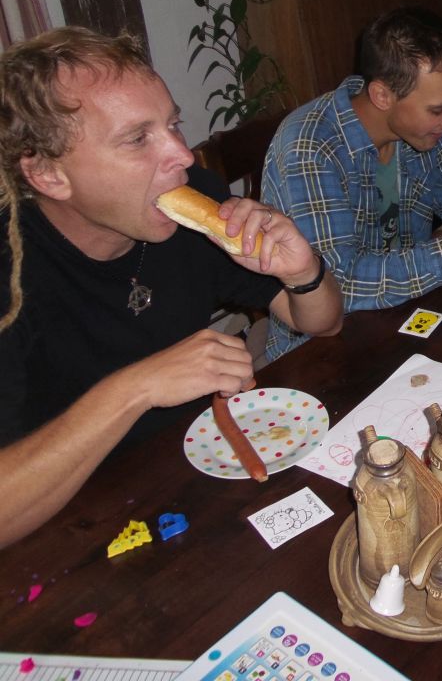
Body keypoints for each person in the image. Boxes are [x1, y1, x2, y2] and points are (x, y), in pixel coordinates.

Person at [0, 27, 344, 548]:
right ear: (48, 175)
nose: (182, 155)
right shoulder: (10, 274)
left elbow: (321, 323)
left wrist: (301, 273)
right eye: (138, 139)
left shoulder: (193, 202)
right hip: (69, 531)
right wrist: (135, 389)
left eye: (172, 125)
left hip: (192, 484)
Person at [262, 7, 442, 359]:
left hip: (406, 319)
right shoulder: (310, 148)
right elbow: (339, 286)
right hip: (321, 353)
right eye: (438, 110)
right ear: (382, 96)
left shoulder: (417, 132)